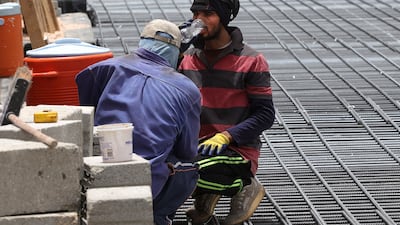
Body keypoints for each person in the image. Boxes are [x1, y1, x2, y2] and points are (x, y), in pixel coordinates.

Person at [75, 19, 202, 225]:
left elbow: (88, 115)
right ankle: (157, 217)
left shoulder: (103, 69)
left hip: (98, 173)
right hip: (148, 184)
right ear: (176, 52)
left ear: (142, 41)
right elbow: (188, 150)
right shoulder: (187, 90)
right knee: (189, 166)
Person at [178, 0, 275, 224]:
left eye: (208, 14)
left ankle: (247, 185)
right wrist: (174, 53)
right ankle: (208, 193)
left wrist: (227, 135)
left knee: (181, 172)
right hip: (197, 146)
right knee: (163, 166)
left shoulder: (251, 60)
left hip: (236, 151)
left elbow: (265, 115)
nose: (198, 20)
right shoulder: (188, 59)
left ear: (223, 17)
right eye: (195, 13)